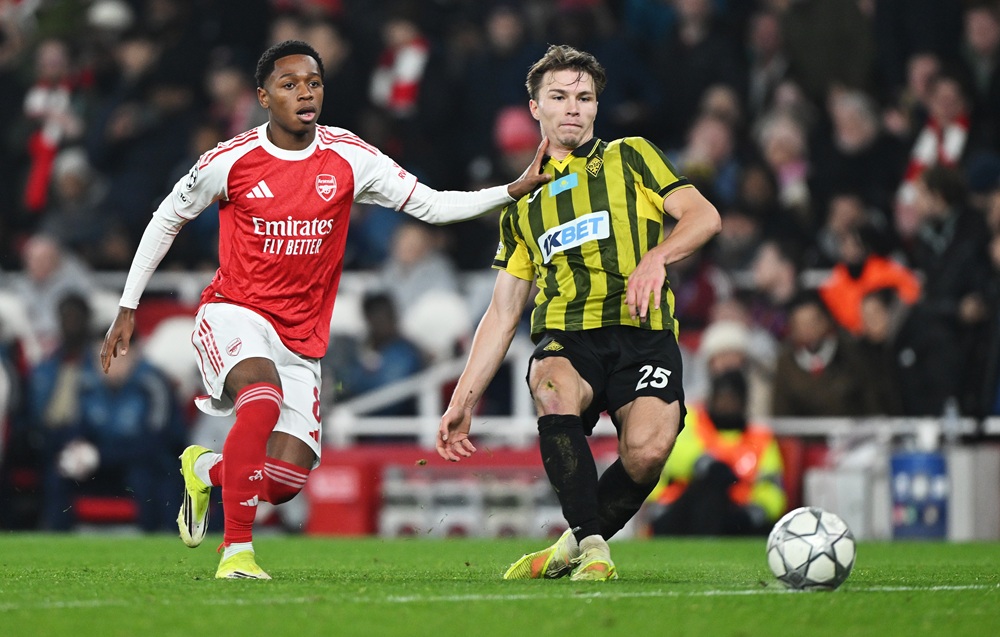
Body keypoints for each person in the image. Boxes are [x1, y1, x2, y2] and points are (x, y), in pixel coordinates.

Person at [100, 40, 551, 579]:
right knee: (260, 401)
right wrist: (129, 305)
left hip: (300, 337)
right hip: (233, 311)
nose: (305, 93)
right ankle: (237, 553)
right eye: (289, 85)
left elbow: (430, 204)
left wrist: (511, 189)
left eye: (313, 82)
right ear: (264, 97)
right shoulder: (231, 159)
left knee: (286, 482)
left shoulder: (349, 156)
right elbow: (166, 218)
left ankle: (207, 468)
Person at [436, 45, 721, 582]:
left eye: (584, 97)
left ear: (596, 107)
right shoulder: (522, 205)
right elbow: (502, 313)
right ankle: (595, 548)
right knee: (550, 385)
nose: (573, 107)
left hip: (644, 330)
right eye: (559, 96)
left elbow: (703, 216)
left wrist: (657, 256)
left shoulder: (632, 155)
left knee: (649, 450)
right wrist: (463, 397)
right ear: (535, 107)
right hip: (569, 333)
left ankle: (568, 545)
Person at [648, 370, 785, 536]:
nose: (725, 404)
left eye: (731, 398)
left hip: (735, 514)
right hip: (678, 509)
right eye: (721, 397)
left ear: (743, 402)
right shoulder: (690, 419)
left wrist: (754, 513)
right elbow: (673, 452)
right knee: (710, 488)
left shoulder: (762, 439)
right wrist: (707, 466)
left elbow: (772, 490)